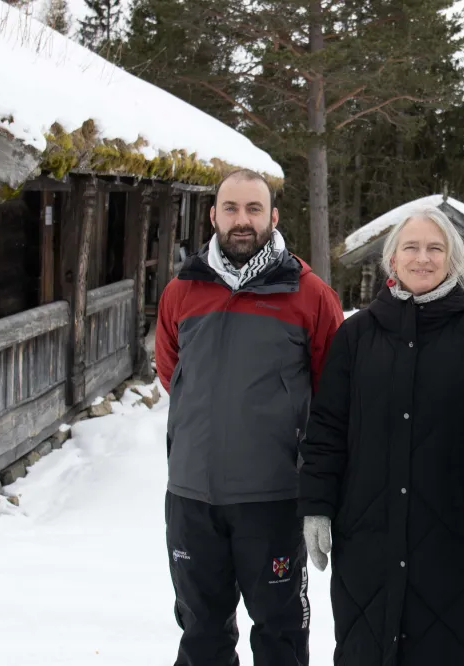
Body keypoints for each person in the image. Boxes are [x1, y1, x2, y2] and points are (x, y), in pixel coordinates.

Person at [298, 206, 464, 666]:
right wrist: (316, 506)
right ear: (391, 260)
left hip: (452, 543)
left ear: (453, 260)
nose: (423, 258)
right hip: (366, 539)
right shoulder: (355, 336)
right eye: (411, 247)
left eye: (436, 248)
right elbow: (328, 427)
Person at [155, 168, 344, 666]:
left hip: (274, 499)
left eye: (254, 209)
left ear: (273, 217)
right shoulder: (182, 290)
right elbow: (171, 370)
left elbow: (332, 390)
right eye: (232, 209)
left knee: (280, 634)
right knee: (200, 634)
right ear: (214, 214)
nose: (243, 221)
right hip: (192, 496)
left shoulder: (309, 294)